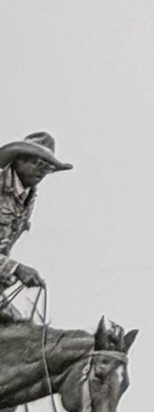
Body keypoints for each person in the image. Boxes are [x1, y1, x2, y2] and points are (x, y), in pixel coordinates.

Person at [0, 132, 71, 322]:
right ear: (18, 160)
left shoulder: (28, 198)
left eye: (48, 167)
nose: (42, 171)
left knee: (20, 326)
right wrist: (15, 269)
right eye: (38, 163)